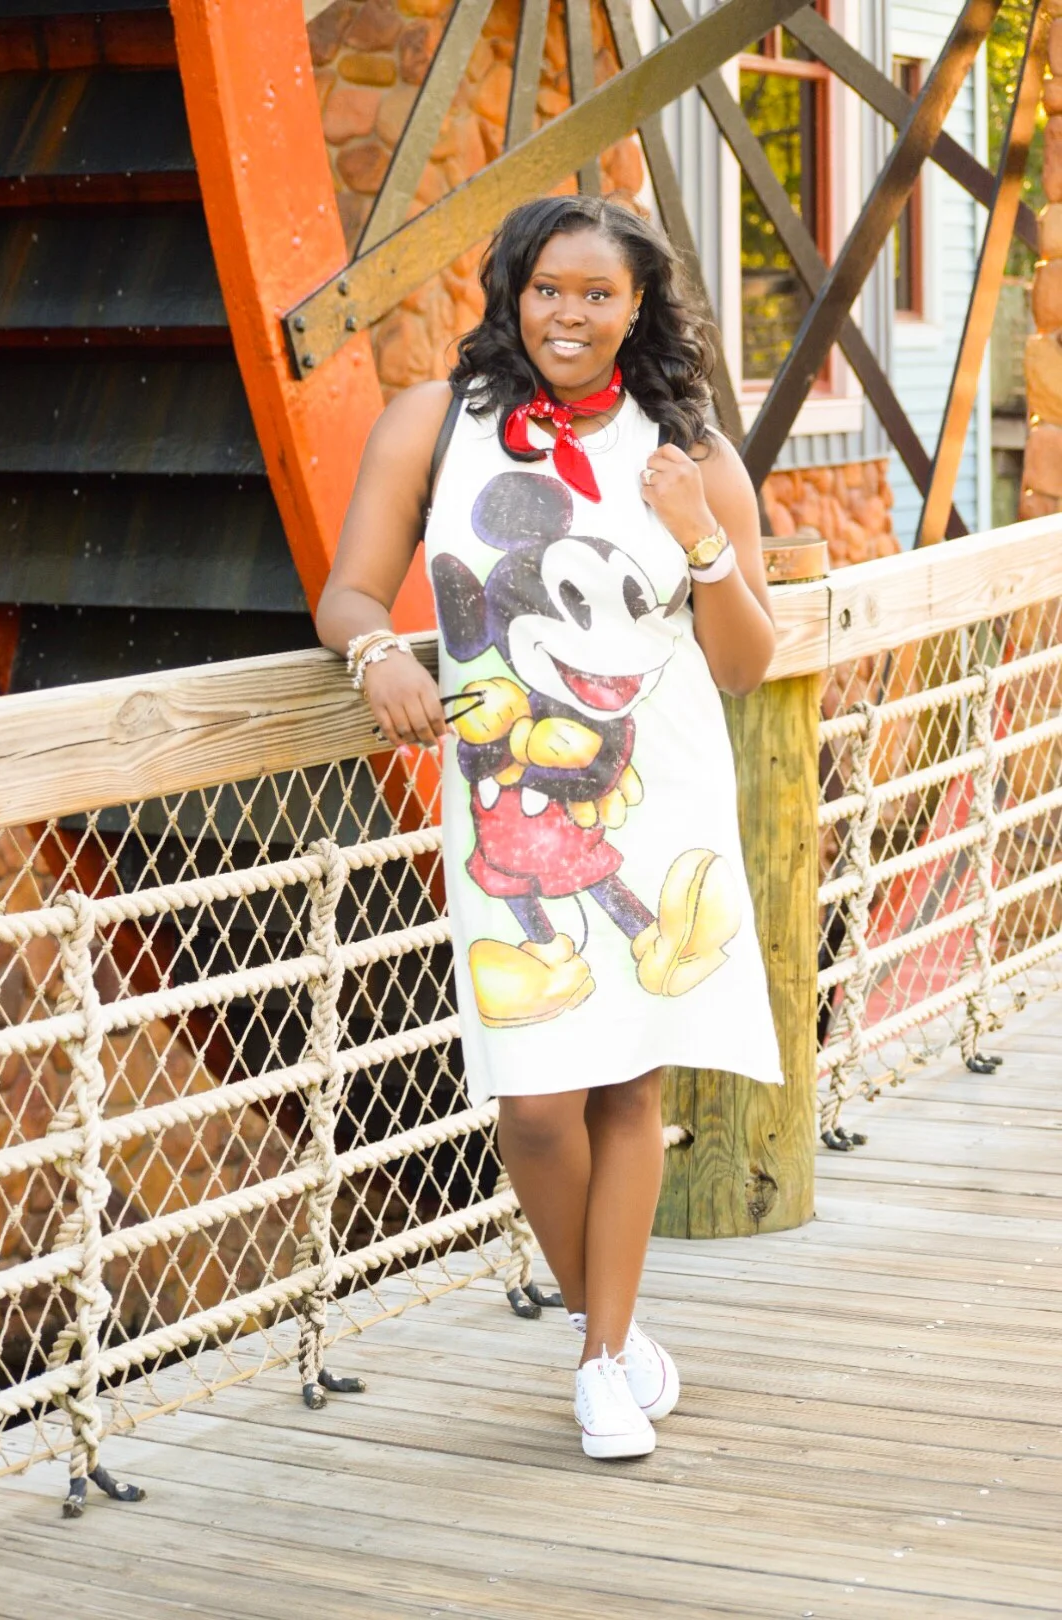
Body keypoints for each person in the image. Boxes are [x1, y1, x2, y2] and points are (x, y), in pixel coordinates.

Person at [316, 195, 783, 1462]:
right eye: (547, 290)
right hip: (501, 798)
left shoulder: (690, 452)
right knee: (532, 1104)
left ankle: (598, 1367)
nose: (568, 316)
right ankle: (609, 1330)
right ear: (513, 295)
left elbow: (746, 663)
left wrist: (699, 537)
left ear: (638, 310)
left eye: (597, 294)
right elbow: (349, 588)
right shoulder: (434, 424)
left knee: (629, 1082)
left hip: (655, 791)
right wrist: (376, 655)